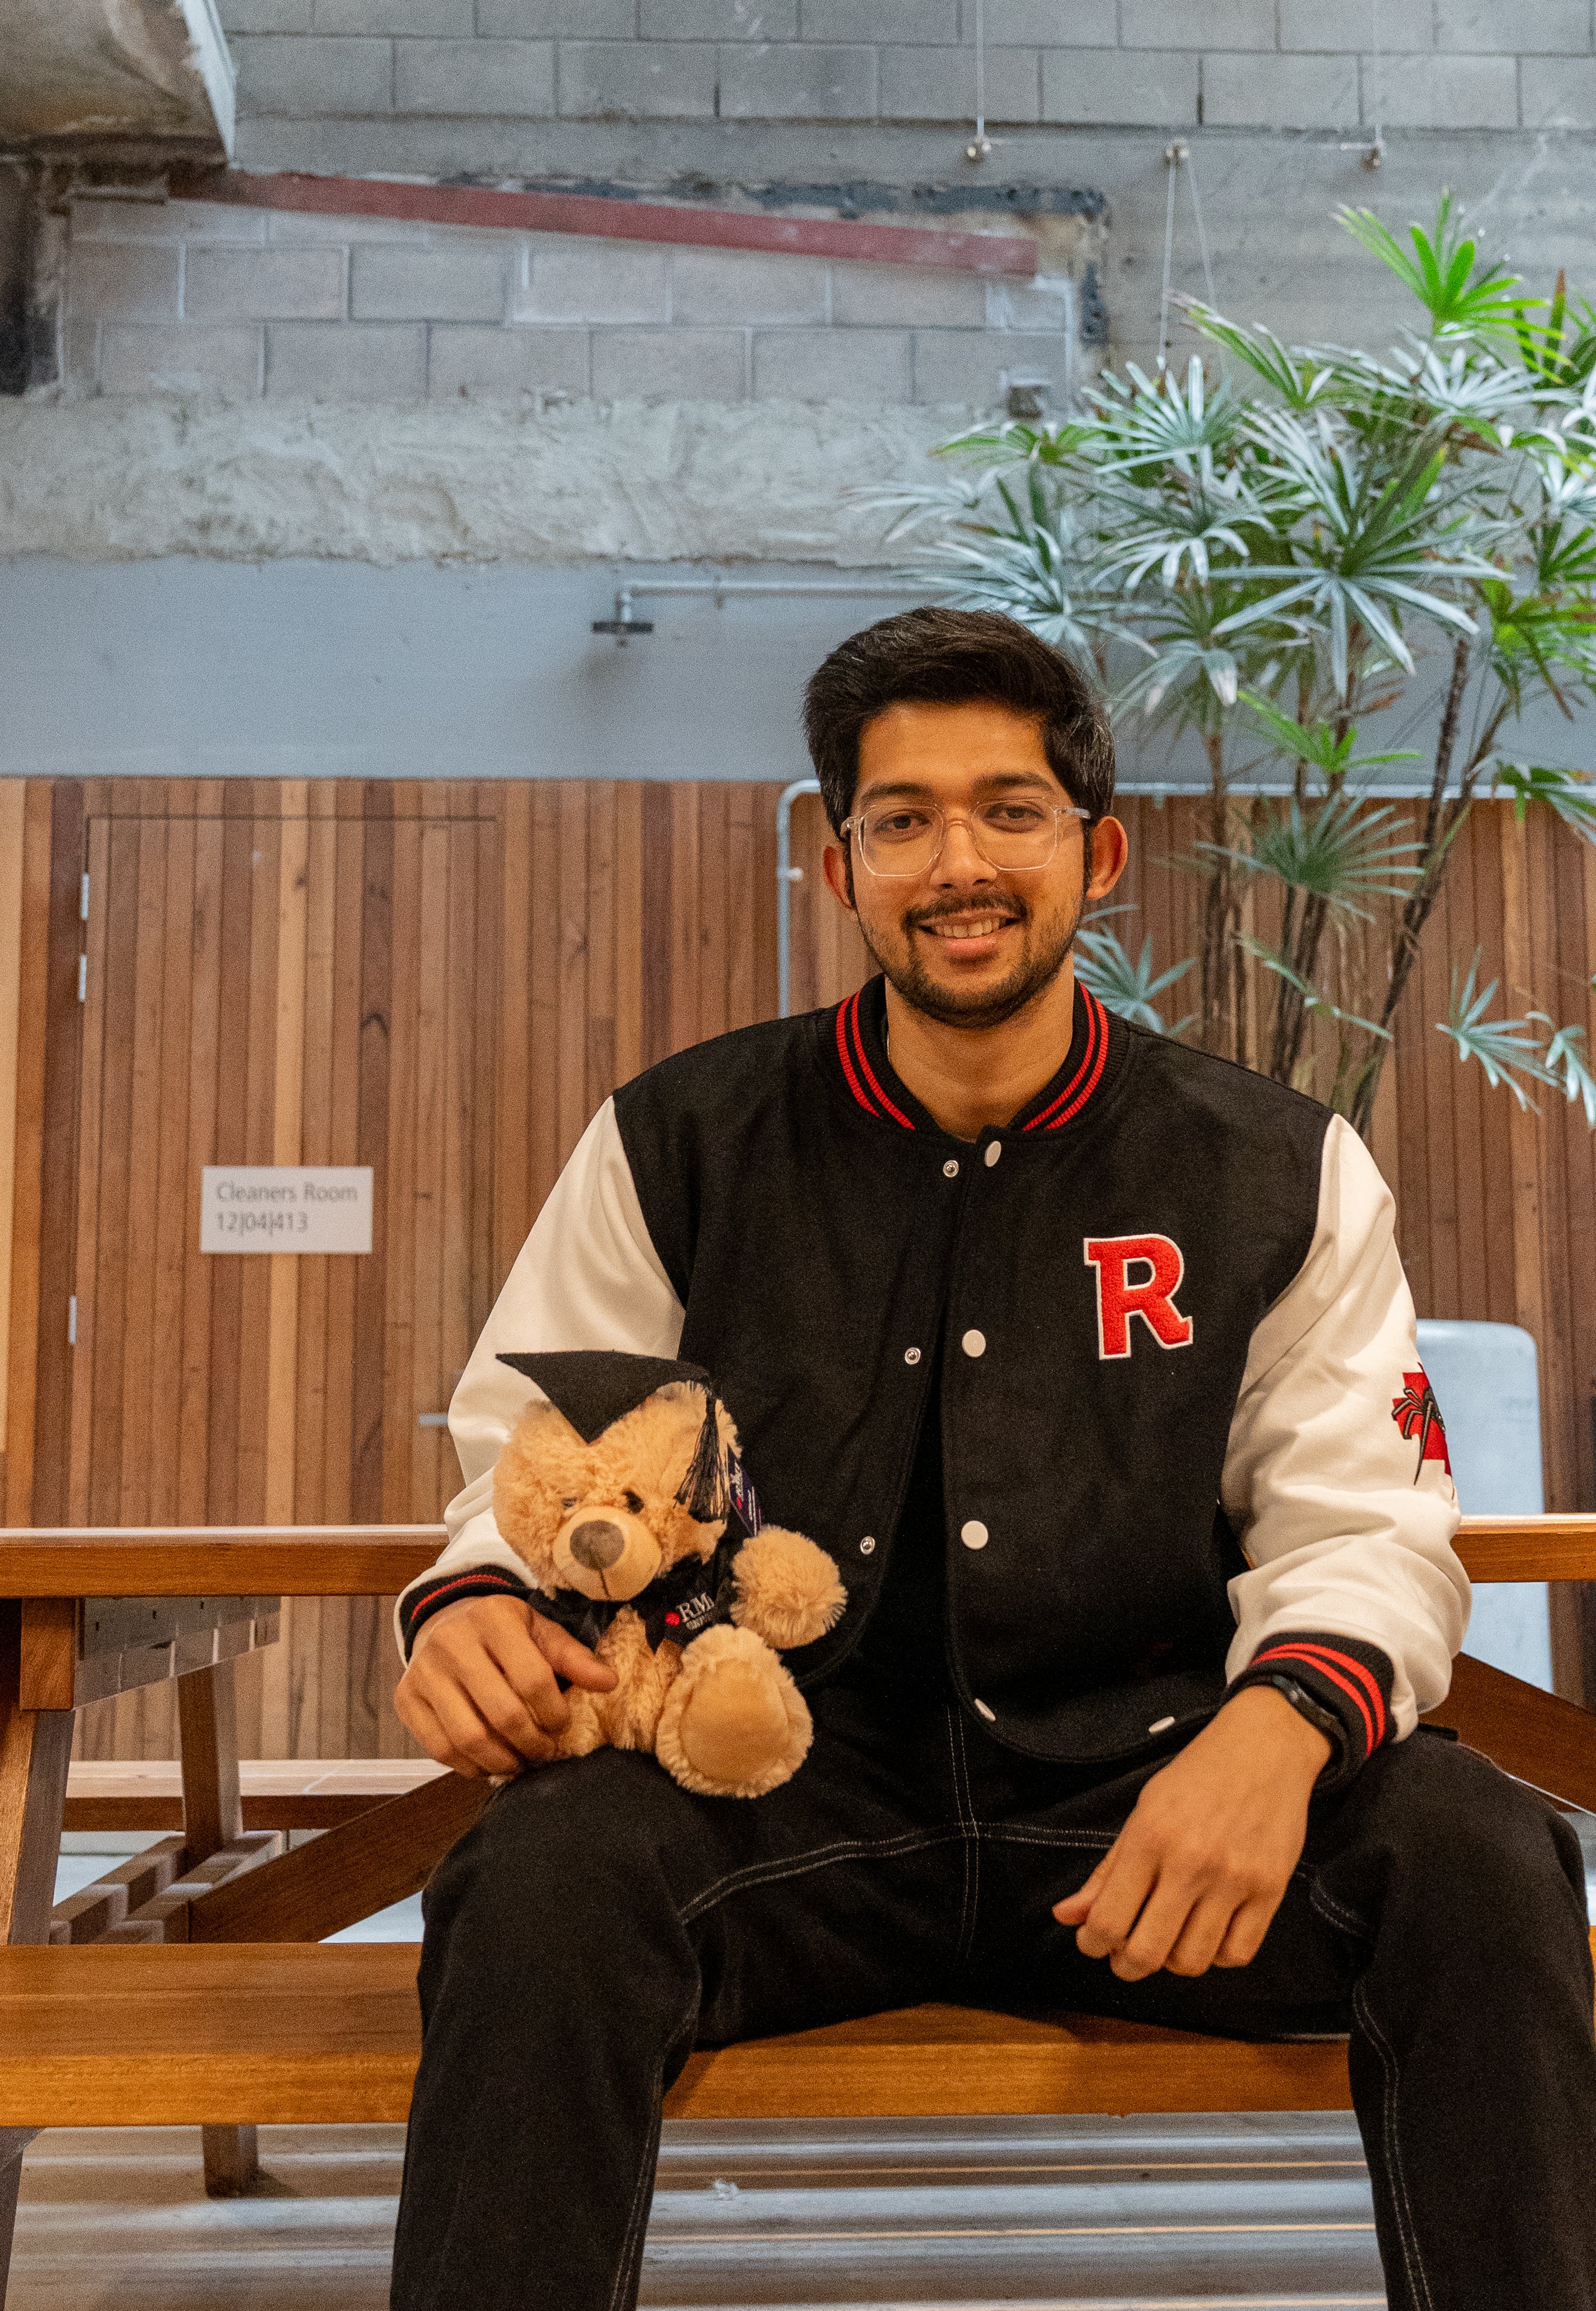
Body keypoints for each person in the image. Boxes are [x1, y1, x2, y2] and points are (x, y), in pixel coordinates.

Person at [388, 608, 1596, 2311]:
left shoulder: (1275, 1169)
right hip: (789, 1792)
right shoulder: (678, 1141)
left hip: (1150, 1801)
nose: (958, 861)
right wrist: (468, 1608)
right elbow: (530, 1461)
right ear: (839, 864)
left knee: (1484, 1855)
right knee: (536, 1882)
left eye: (1009, 810)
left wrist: (1284, 1724)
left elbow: (1368, 1518)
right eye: (902, 820)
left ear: (1097, 852)